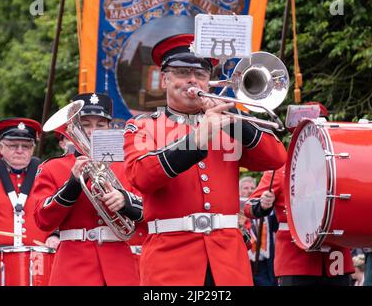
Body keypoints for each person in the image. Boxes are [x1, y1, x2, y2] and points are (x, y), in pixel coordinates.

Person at [123, 33, 287, 286]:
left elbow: (276, 157)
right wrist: (196, 140)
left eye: (200, 74)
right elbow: (141, 176)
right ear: (165, 79)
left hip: (228, 262)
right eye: (182, 72)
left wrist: (233, 117)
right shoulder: (143, 126)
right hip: (170, 262)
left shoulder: (228, 123)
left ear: (209, 81)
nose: (192, 80)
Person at [32, 92, 143, 286]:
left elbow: (150, 208)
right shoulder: (53, 167)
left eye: (101, 125)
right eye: (85, 125)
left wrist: (125, 201)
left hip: (121, 265)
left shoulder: (127, 165)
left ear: (110, 127)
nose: (93, 131)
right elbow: (42, 219)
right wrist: (73, 184)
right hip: (73, 267)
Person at [245, 103, 354, 286]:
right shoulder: (281, 168)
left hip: (336, 257)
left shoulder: (340, 166)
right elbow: (249, 206)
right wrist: (263, 204)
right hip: (296, 261)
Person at [0, 118, 56, 285]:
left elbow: (59, 217)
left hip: (41, 270)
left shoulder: (46, 176)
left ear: (33, 148)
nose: (20, 150)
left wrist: (55, 236)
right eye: (13, 145)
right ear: (1, 147)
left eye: (26, 146)